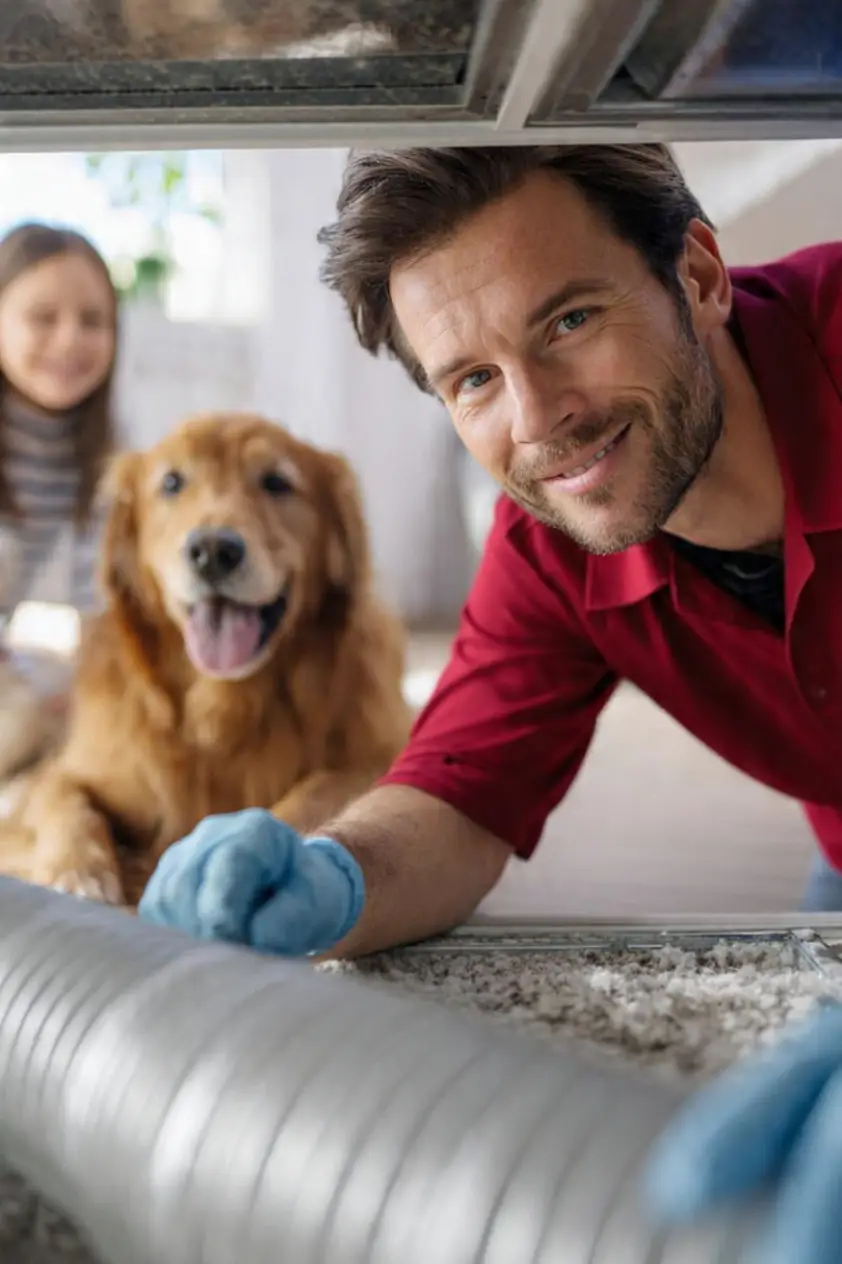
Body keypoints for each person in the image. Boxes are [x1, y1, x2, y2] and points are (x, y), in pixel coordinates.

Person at [137, 145, 842, 1260]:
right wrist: (331, 873)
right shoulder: (549, 532)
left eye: (566, 321)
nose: (538, 418)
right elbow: (457, 794)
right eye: (470, 378)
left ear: (698, 273)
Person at [0, 222, 119, 774]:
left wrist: (83, 686)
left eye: (92, 320)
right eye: (42, 318)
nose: (70, 339)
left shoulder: (102, 452)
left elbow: (97, 596)